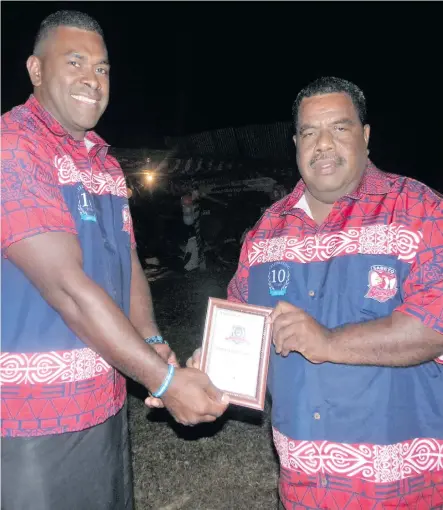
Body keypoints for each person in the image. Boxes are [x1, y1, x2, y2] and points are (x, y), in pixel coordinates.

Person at [0, 10, 228, 510]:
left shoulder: (102, 163)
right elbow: (67, 289)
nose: (92, 79)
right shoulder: (15, 147)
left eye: (102, 68)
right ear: (35, 70)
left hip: (102, 401)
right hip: (29, 422)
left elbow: (126, 264)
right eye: (75, 62)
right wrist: (164, 380)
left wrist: (151, 343)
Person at [187, 77, 443, 508]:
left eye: (339, 129)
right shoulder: (266, 233)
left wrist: (327, 342)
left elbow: (434, 327)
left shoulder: (421, 211)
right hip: (303, 491)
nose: (323, 143)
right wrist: (203, 374)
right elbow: (242, 336)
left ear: (365, 136)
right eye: (309, 132)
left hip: (403, 491)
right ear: (295, 143)